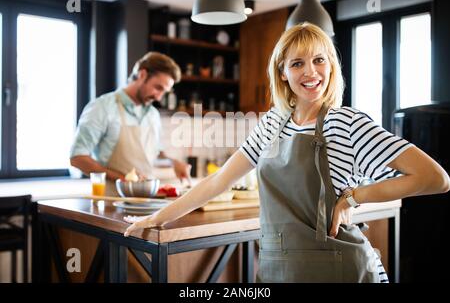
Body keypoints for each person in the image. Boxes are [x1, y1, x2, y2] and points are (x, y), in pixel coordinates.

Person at [123, 24, 450, 282]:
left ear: (331, 66)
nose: (311, 72)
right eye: (298, 63)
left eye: (319, 60)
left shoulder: (346, 122)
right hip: (280, 268)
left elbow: (435, 178)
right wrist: (157, 217)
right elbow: (219, 181)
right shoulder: (272, 124)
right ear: (282, 73)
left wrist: (354, 197)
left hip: (340, 268)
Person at [70, 52, 191, 195]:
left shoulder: (153, 115)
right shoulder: (102, 107)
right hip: (111, 203)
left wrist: (173, 162)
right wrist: (123, 179)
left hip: (146, 202)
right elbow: (77, 158)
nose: (159, 97)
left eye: (164, 92)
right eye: (158, 88)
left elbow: (155, 152)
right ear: (142, 75)